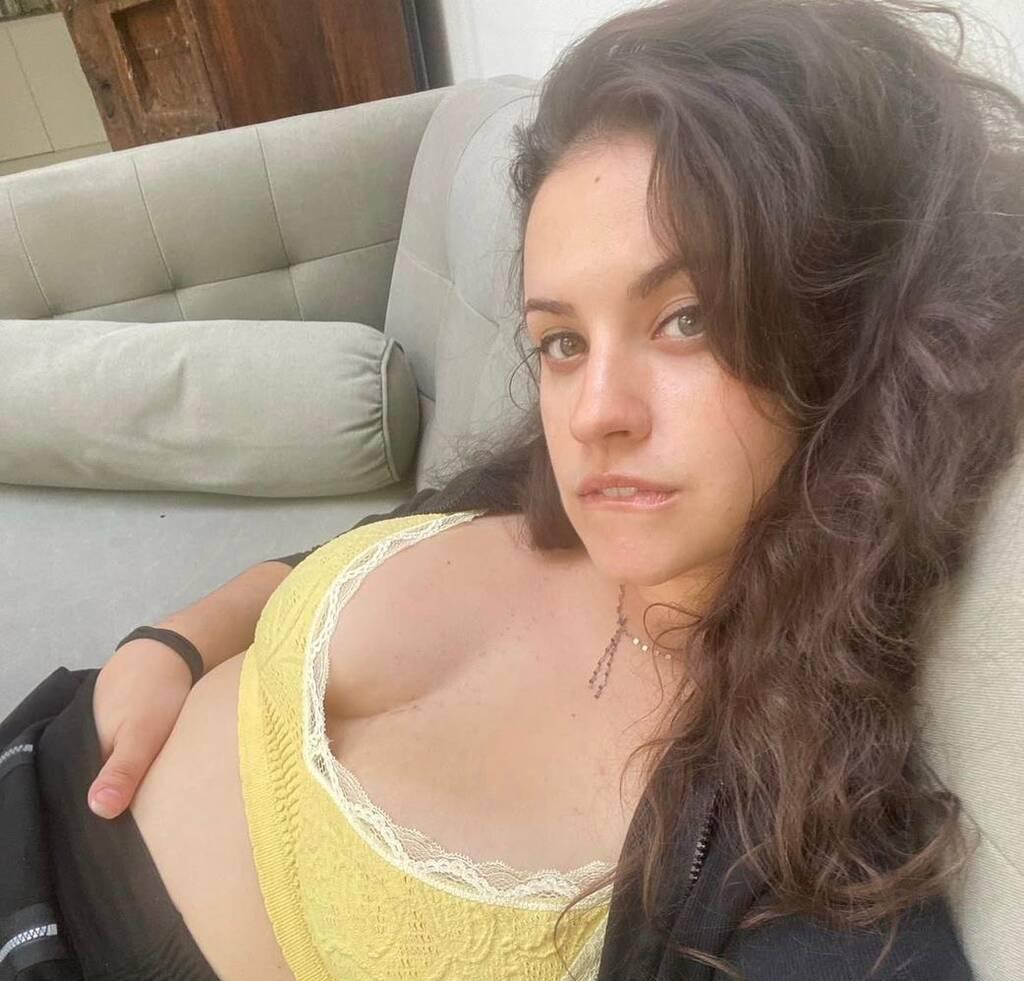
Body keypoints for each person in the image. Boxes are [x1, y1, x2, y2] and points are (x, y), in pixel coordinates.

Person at [3, 0, 1022, 978]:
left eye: (688, 319)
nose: (592, 415)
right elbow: (328, 561)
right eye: (563, 341)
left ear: (849, 339)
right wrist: (178, 638)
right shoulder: (535, 493)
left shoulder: (789, 814)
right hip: (38, 768)